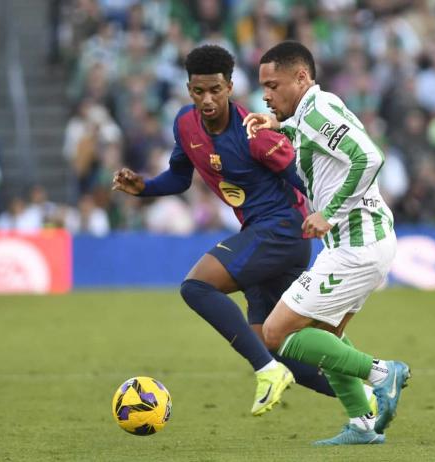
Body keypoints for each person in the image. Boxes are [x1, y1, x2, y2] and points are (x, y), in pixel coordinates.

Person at [112, 44, 350, 416]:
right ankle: (371, 389)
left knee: (196, 286)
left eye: (215, 91)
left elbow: (306, 179)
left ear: (230, 87)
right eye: (198, 91)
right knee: (275, 344)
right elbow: (179, 175)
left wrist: (337, 215)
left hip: (283, 231)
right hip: (261, 234)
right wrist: (145, 188)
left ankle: (268, 373)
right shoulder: (185, 124)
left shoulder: (254, 133)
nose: (206, 100)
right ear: (189, 89)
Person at [244, 41, 410, 445]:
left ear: (301, 78)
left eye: (273, 84)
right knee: (324, 335)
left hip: (356, 244)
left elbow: (369, 157)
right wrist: (278, 124)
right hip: (360, 243)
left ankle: (383, 373)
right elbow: (319, 138)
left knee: (276, 333)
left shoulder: (317, 111)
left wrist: (329, 212)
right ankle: (363, 424)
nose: (265, 94)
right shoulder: (311, 112)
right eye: (263, 86)